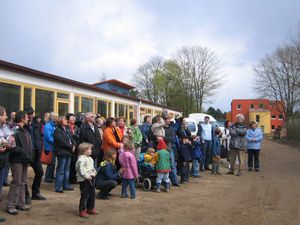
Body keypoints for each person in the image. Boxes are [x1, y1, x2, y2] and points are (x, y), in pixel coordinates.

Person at [7, 111, 32, 215]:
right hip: (17, 160)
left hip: (24, 159)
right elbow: (10, 146)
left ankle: (20, 204)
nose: (28, 119)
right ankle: (11, 206)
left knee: (23, 182)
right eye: (26, 117)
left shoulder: (24, 130)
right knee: (16, 182)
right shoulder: (15, 130)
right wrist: (22, 151)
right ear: (22, 118)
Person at [24, 107, 46, 203]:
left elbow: (40, 137)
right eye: (28, 114)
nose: (30, 116)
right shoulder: (23, 125)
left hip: (35, 152)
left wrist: (40, 148)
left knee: (40, 172)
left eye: (31, 114)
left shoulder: (36, 124)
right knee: (23, 176)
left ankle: (35, 193)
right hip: (26, 153)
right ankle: (25, 196)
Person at [54, 116, 76, 193]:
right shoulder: (57, 130)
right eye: (64, 120)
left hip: (68, 152)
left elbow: (72, 138)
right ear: (60, 121)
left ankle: (66, 185)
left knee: (67, 170)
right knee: (61, 170)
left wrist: (74, 145)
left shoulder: (67, 129)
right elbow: (61, 141)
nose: (66, 121)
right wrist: (71, 146)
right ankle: (58, 187)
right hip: (62, 152)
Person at [76, 143, 97, 218]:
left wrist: (94, 173)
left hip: (91, 178)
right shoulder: (81, 159)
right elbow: (80, 169)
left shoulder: (90, 159)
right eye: (89, 149)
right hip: (84, 180)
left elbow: (92, 168)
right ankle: (82, 210)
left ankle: (90, 208)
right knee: (85, 195)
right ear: (84, 151)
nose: (91, 150)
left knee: (92, 194)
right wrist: (86, 176)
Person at [0, 106, 13, 222]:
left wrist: (6, 142)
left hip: (2, 160)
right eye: (4, 115)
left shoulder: (4, 127)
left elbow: (10, 139)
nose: (6, 116)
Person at [163, 114, 180, 186]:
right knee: (162, 165)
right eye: (168, 119)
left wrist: (163, 138)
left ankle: (175, 181)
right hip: (161, 149)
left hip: (170, 149)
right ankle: (162, 181)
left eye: (170, 119)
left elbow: (172, 139)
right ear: (164, 120)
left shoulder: (172, 129)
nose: (169, 120)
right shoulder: (161, 128)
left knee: (172, 165)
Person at [44, 112, 58, 183]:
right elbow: (48, 137)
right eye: (56, 117)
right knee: (50, 163)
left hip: (53, 147)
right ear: (53, 118)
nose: (57, 119)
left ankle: (51, 176)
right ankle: (47, 177)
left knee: (53, 163)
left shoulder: (53, 125)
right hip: (49, 147)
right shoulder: (47, 126)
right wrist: (57, 141)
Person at [66, 113, 80, 184]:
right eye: (72, 118)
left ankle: (73, 179)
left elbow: (78, 136)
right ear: (68, 119)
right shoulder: (66, 127)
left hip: (76, 146)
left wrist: (74, 134)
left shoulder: (76, 127)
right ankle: (67, 180)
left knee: (74, 163)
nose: (73, 119)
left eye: (74, 118)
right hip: (69, 147)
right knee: (68, 164)